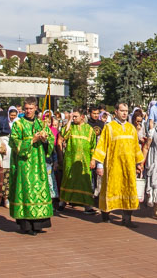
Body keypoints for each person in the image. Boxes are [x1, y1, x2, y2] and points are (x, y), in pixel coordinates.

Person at [92, 102, 144, 227]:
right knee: (110, 189)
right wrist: (99, 165)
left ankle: (127, 219)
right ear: (116, 111)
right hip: (113, 166)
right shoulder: (109, 127)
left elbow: (136, 147)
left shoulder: (131, 128)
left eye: (126, 110)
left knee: (129, 190)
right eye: (122, 110)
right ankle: (106, 214)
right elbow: (102, 146)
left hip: (128, 166)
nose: (125, 113)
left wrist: (138, 163)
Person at [8, 98, 53, 235]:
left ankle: (38, 225)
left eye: (31, 108)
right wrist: (32, 140)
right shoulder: (19, 124)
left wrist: (45, 140)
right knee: (26, 192)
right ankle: (26, 225)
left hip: (38, 164)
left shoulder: (41, 123)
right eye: (26, 108)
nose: (28, 111)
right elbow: (14, 142)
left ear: (36, 108)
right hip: (24, 164)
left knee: (39, 191)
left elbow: (50, 141)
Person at [58, 107, 97, 212]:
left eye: (75, 116)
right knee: (67, 181)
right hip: (70, 160)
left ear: (82, 117)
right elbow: (63, 135)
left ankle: (87, 206)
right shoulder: (70, 127)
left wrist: (93, 160)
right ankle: (62, 202)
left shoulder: (89, 129)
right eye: (73, 116)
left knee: (85, 182)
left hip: (85, 161)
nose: (74, 118)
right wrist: (69, 120)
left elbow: (93, 146)